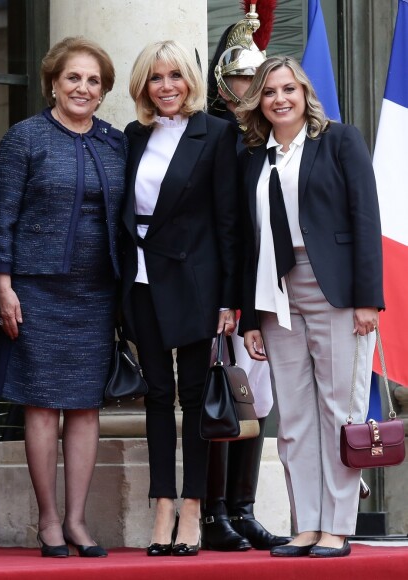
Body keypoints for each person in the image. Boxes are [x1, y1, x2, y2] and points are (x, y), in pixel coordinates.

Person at [236, 55, 383, 558]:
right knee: (294, 416)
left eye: (288, 89)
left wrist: (368, 299)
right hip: (274, 293)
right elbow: (244, 241)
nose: (280, 99)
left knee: (337, 409)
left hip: (335, 291)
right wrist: (249, 317)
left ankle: (337, 526)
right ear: (259, 100)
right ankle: (306, 524)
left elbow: (365, 219)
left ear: (304, 93)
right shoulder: (253, 155)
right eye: (269, 91)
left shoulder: (339, 141)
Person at [0, 36, 126, 558]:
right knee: (44, 405)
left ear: (103, 90)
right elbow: (3, 217)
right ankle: (48, 521)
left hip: (97, 292)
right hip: (37, 290)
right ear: (53, 82)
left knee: (86, 407)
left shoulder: (115, 142)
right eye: (74, 77)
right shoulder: (25, 138)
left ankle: (76, 521)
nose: (83, 88)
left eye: (94, 81)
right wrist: (4, 285)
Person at [121, 40, 241, 557]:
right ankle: (162, 501)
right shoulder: (132, 135)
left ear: (190, 80)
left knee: (193, 395)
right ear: (143, 86)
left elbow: (229, 222)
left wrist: (229, 300)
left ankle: (193, 504)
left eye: (174, 76)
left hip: (196, 281)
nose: (166, 86)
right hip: (142, 280)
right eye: (155, 78)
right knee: (154, 393)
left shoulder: (216, 133)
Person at [202, 2, 291, 552]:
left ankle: (244, 508)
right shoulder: (210, 135)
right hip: (223, 286)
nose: (246, 85)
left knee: (258, 396)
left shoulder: (269, 139)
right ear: (221, 79)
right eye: (237, 75)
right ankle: (215, 515)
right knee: (225, 392)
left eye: (253, 77)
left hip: (267, 284)